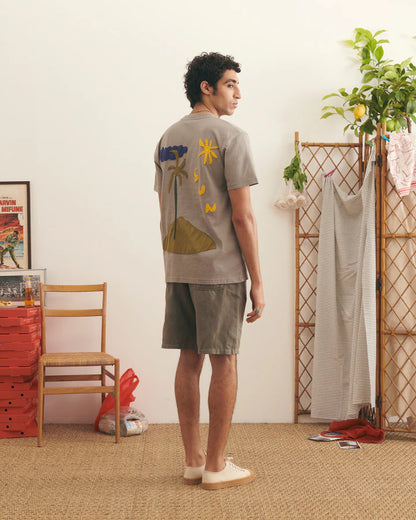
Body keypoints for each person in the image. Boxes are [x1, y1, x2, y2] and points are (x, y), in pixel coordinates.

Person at [154, 52, 264, 490]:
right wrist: (258, 281)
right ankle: (216, 465)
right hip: (219, 269)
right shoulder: (231, 136)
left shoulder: (167, 137)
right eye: (230, 84)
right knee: (224, 360)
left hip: (177, 265)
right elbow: (243, 216)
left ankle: (194, 460)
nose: (238, 93)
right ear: (207, 87)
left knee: (188, 359)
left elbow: (164, 207)